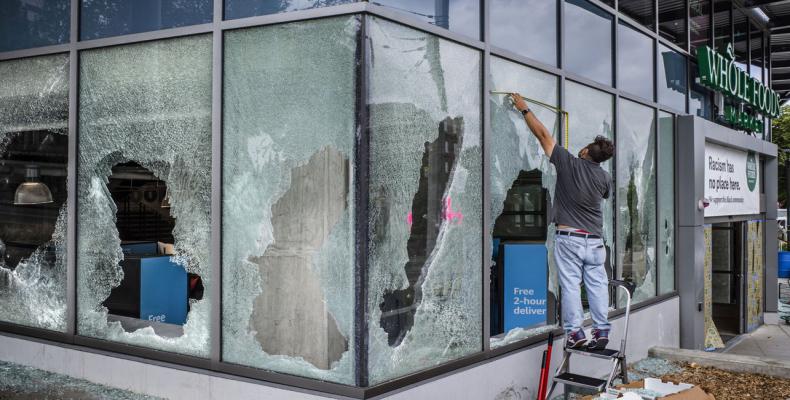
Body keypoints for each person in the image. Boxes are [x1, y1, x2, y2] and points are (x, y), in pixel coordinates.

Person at [509, 93, 615, 350]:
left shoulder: (569, 163)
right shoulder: (604, 178)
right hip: (595, 242)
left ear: (587, 151)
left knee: (570, 285)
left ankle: (575, 334)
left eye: (586, 146)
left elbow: (543, 136)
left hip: (571, 239)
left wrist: (524, 110)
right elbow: (600, 195)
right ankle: (601, 331)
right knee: (597, 285)